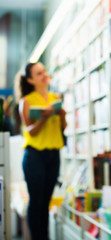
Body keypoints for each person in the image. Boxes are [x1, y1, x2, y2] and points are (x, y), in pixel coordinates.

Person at [16, 62, 67, 240]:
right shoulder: (27, 101)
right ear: (30, 80)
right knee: (36, 202)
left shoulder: (56, 98)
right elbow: (29, 130)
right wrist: (43, 119)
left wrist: (62, 116)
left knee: (46, 202)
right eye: (39, 73)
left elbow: (62, 128)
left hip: (54, 155)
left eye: (44, 71)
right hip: (35, 156)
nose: (44, 75)